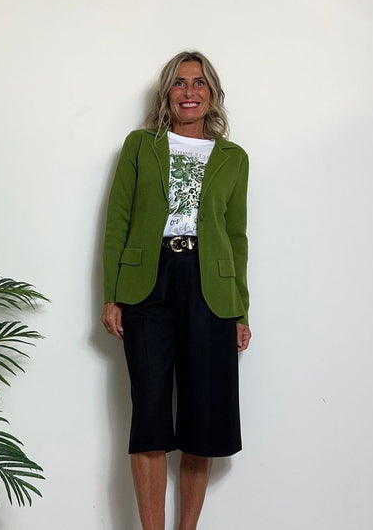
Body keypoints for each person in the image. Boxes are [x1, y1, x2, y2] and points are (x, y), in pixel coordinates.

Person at [101, 51, 251, 530]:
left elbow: (236, 236)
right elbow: (117, 221)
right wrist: (112, 295)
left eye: (199, 83)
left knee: (203, 420)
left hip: (212, 288)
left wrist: (241, 310)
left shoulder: (233, 158)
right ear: (167, 93)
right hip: (149, 282)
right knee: (148, 415)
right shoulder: (140, 145)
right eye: (180, 83)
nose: (189, 91)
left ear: (213, 94)